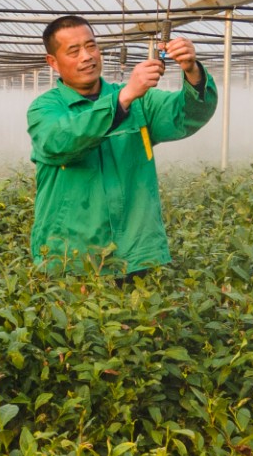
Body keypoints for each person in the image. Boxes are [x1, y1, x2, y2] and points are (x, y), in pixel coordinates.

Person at [26, 15, 217, 276]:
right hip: (72, 256)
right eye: (74, 51)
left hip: (136, 254)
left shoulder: (141, 102)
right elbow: (60, 140)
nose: (87, 57)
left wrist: (192, 72)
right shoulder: (45, 108)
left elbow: (188, 115)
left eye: (91, 46)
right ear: (53, 62)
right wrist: (123, 98)